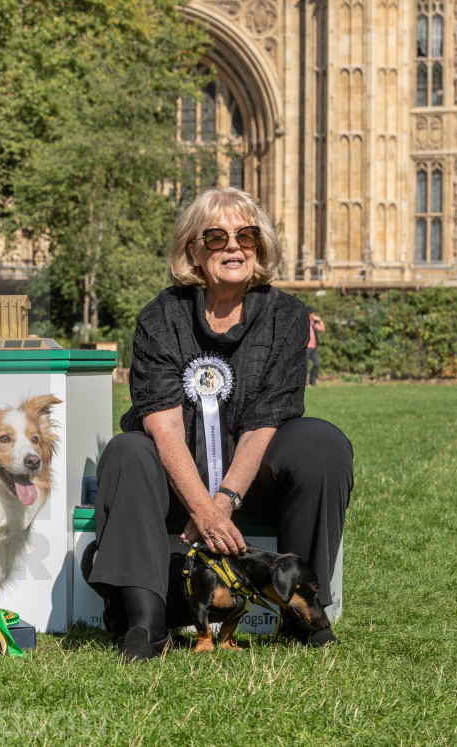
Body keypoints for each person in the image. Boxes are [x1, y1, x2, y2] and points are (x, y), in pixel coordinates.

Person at [83, 187, 353, 662]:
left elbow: (264, 422)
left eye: (246, 235)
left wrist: (222, 502)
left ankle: (303, 612)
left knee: (322, 444)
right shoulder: (160, 317)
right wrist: (201, 509)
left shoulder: (286, 316)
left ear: (260, 245)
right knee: (127, 450)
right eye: (217, 237)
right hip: (172, 480)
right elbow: (163, 427)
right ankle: (146, 625)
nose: (234, 246)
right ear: (192, 249)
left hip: (253, 475)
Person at [307, 306, 325, 386]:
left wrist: (320, 320)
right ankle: (303, 382)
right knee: (305, 366)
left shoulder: (314, 322)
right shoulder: (304, 321)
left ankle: (312, 381)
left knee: (317, 363)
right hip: (306, 347)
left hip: (313, 347)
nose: (314, 314)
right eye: (312, 313)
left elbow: (322, 329)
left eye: (314, 312)